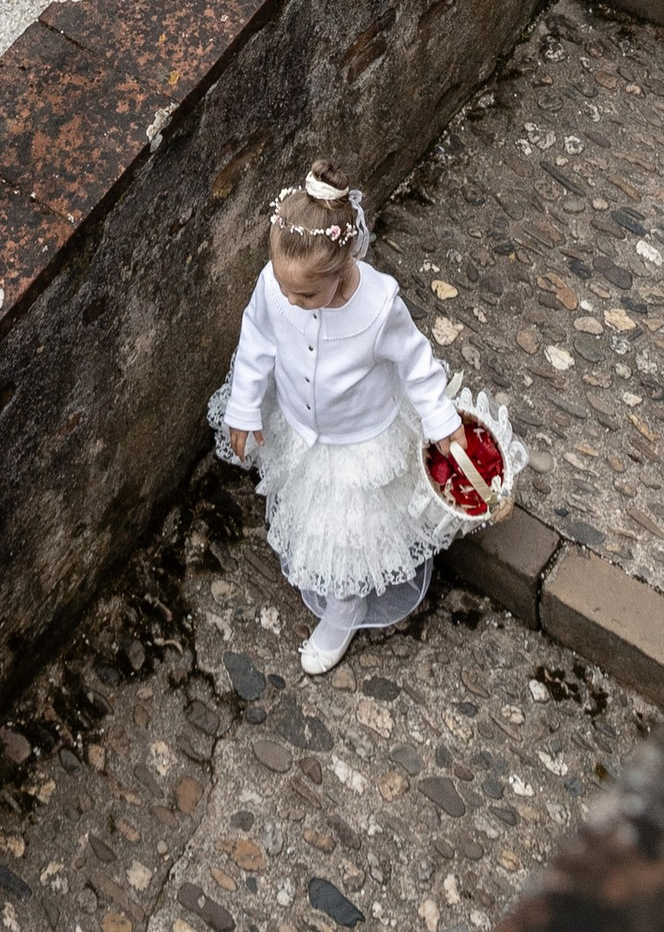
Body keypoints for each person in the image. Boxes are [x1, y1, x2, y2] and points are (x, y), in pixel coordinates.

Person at [212, 162, 524, 678]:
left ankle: (343, 611)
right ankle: (337, 593)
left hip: (359, 443)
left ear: (343, 267)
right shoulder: (278, 284)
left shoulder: (379, 307)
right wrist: (244, 406)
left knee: (349, 534)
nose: (291, 301)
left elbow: (418, 365)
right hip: (301, 426)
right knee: (311, 514)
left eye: (306, 296)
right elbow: (258, 340)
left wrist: (443, 424)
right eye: (285, 289)